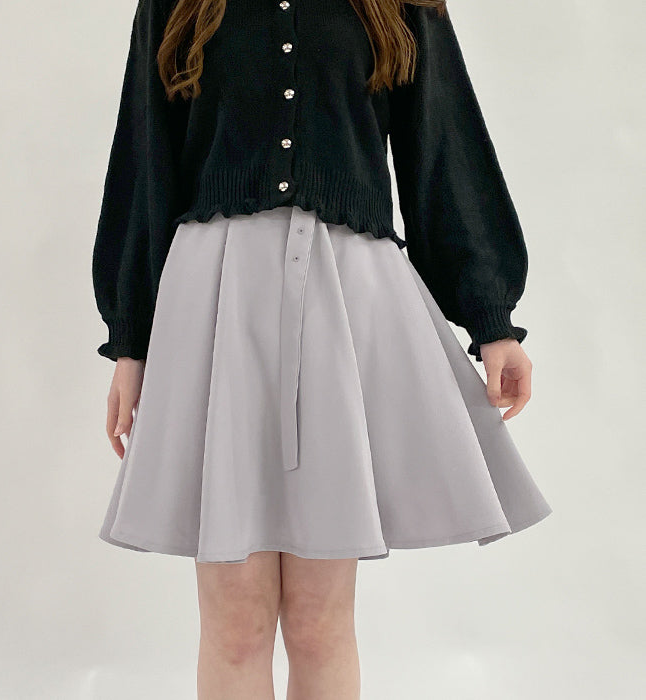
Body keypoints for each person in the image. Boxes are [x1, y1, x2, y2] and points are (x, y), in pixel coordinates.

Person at [92, 0, 552, 696]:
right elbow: (144, 160)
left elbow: (443, 148)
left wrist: (493, 322)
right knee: (234, 623)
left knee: (318, 621)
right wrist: (131, 342)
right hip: (215, 303)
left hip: (345, 305)